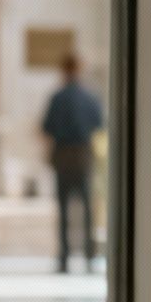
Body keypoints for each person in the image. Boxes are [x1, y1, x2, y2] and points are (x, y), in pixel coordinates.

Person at [41, 54, 104, 273]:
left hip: (63, 154)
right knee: (86, 209)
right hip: (83, 154)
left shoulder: (58, 97)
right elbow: (99, 124)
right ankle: (89, 255)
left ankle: (65, 257)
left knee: (64, 208)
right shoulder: (90, 97)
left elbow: (47, 127)